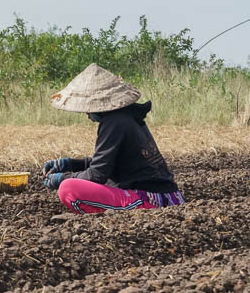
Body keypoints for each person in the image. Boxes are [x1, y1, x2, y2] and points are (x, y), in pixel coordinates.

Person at [42, 63, 183, 214]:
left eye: (88, 109)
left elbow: (97, 175)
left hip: (151, 199)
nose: (87, 114)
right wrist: (71, 164)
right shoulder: (127, 116)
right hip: (169, 195)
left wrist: (63, 178)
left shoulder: (114, 122)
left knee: (68, 189)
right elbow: (110, 163)